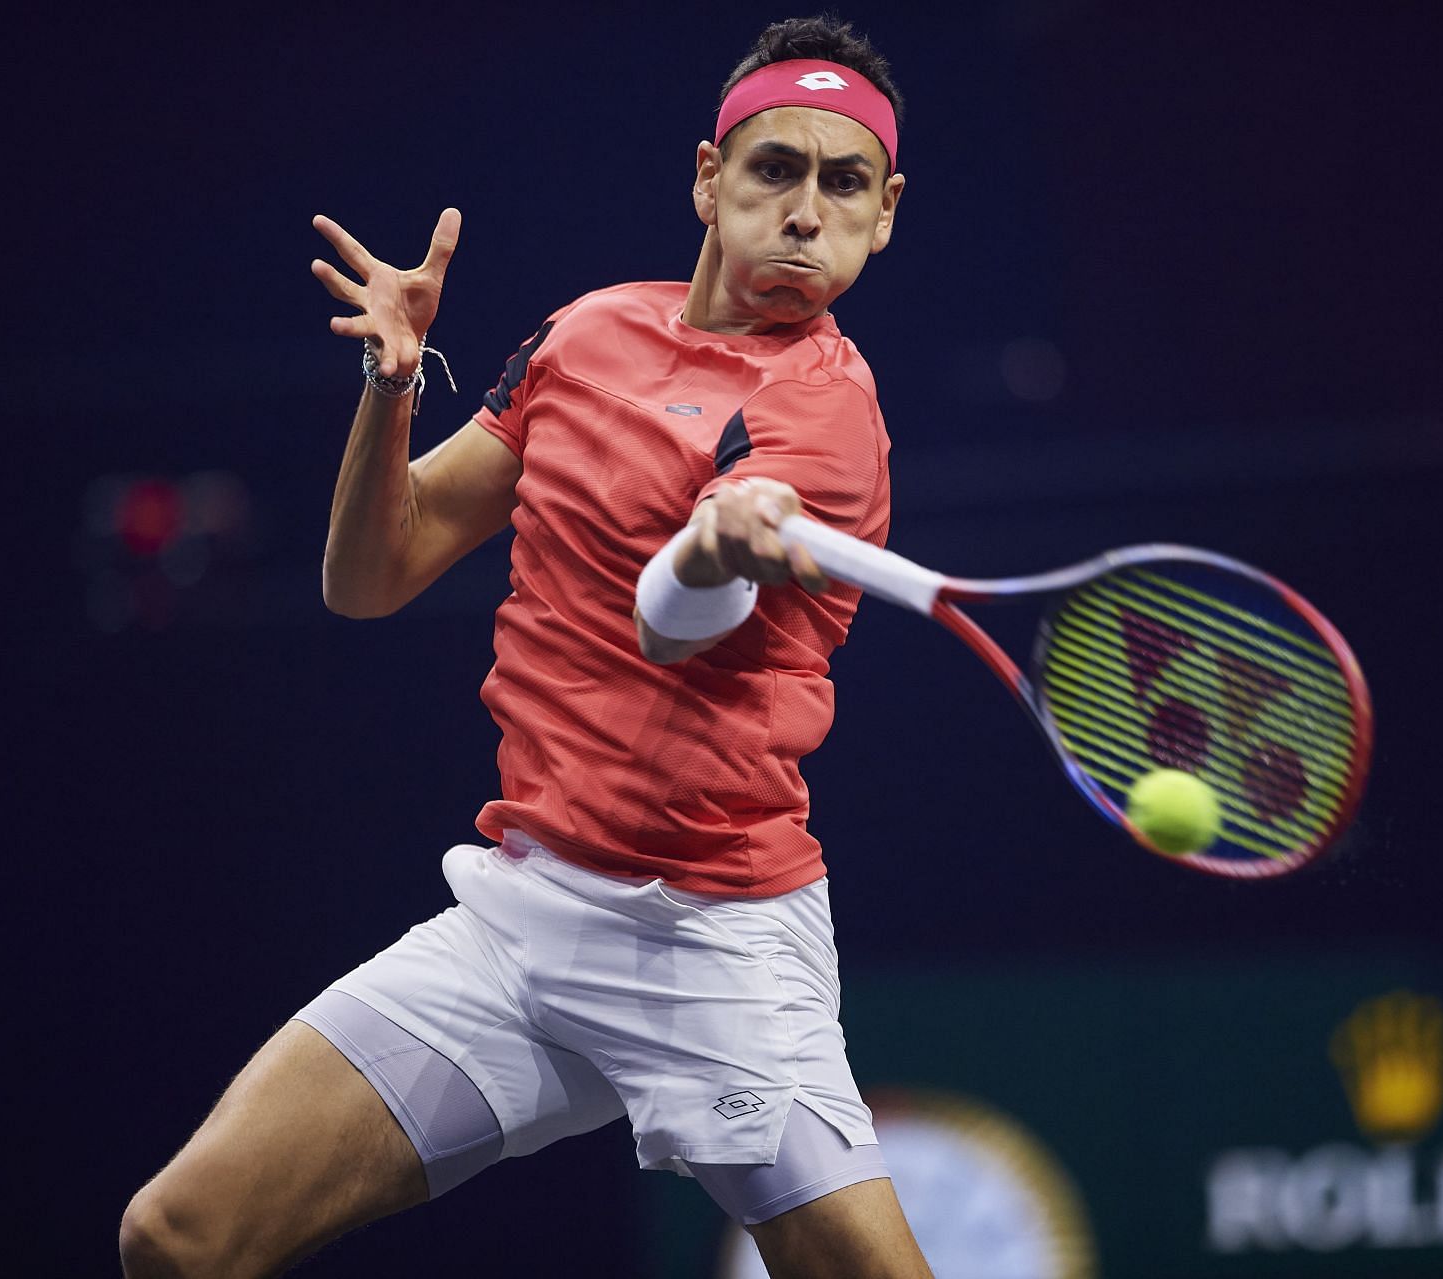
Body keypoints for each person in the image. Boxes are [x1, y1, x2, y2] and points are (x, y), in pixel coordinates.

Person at [118, 15, 927, 1278]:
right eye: (777, 170)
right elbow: (370, 577)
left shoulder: (825, 417)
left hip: (711, 943)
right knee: (178, 1237)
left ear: (885, 215)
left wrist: (720, 544)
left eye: (846, 185)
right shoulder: (586, 338)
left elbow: (672, 623)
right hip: (525, 917)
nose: (808, 213)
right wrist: (390, 388)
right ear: (709, 179)